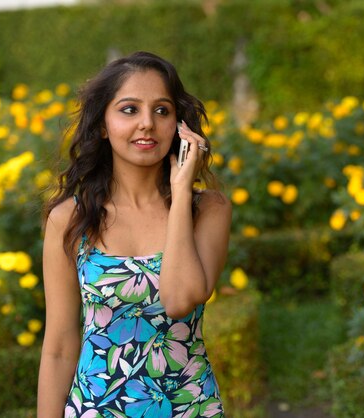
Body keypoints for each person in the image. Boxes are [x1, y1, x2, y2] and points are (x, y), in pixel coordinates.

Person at [37, 51, 231, 417]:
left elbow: (178, 300)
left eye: (162, 110)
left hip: (189, 407)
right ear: (102, 125)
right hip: (95, 408)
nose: (147, 123)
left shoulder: (208, 210)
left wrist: (181, 194)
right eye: (129, 109)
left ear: (179, 124)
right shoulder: (70, 218)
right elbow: (59, 345)